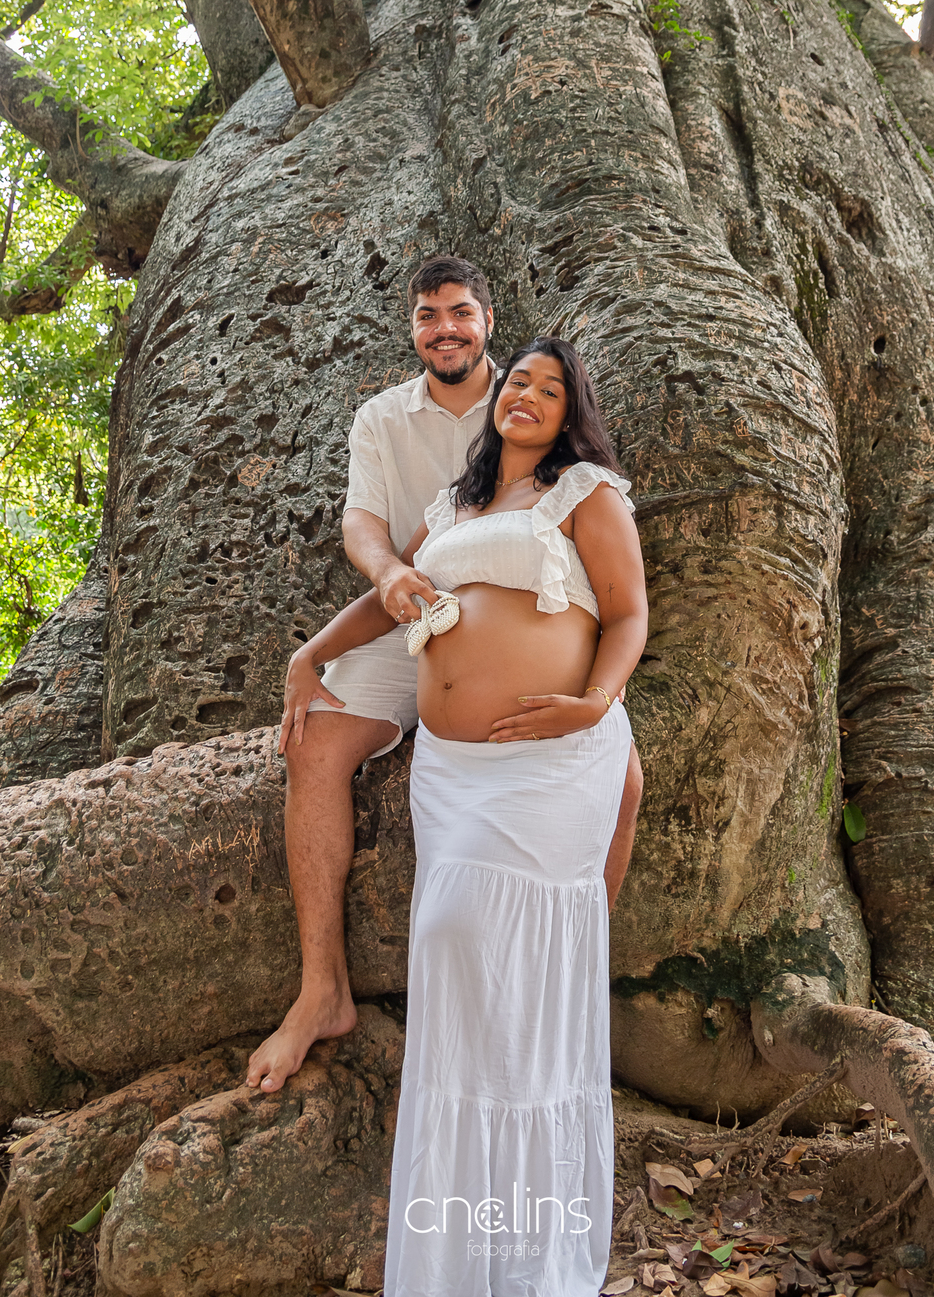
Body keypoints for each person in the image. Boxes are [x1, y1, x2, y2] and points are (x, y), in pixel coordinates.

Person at [279, 338, 648, 1296]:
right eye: (517, 381)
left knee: (492, 961)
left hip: (547, 764)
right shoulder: (450, 508)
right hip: (451, 774)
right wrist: (309, 654)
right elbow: (391, 597)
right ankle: (459, 1261)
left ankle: (531, 1260)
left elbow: (630, 612)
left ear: (571, 413)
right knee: (457, 981)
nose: (526, 395)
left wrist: (599, 702)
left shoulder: (585, 494)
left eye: (550, 388)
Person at [247, 267, 645, 1092]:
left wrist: (597, 701)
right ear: (413, 327)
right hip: (414, 614)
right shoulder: (395, 430)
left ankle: (570, 993)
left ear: (488, 322)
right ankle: (321, 990)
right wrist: (328, 634)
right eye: (429, 316)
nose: (446, 329)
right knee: (314, 743)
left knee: (621, 775)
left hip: (547, 655)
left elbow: (621, 606)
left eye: (461, 313)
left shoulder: (549, 436)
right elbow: (362, 523)